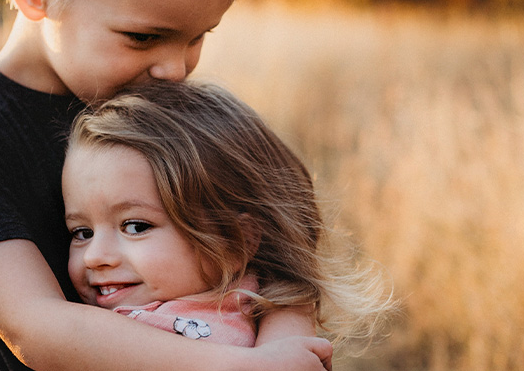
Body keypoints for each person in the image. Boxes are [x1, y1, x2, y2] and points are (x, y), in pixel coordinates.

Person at [0, 0, 334, 370]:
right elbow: (35, 326)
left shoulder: (172, 113)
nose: (175, 70)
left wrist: (280, 351)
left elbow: (286, 257)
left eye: (198, 36)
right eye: (144, 37)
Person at [63, 81, 394, 350]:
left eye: (135, 226)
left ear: (237, 242)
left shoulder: (241, 338)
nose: (94, 257)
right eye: (81, 232)